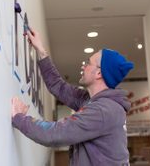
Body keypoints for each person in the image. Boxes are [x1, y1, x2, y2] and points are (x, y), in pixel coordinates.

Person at [11, 28, 134, 166]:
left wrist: (19, 118)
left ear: (99, 73)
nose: (83, 66)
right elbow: (58, 87)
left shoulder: (103, 110)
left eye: (88, 63)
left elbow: (55, 134)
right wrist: (40, 50)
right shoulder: (91, 100)